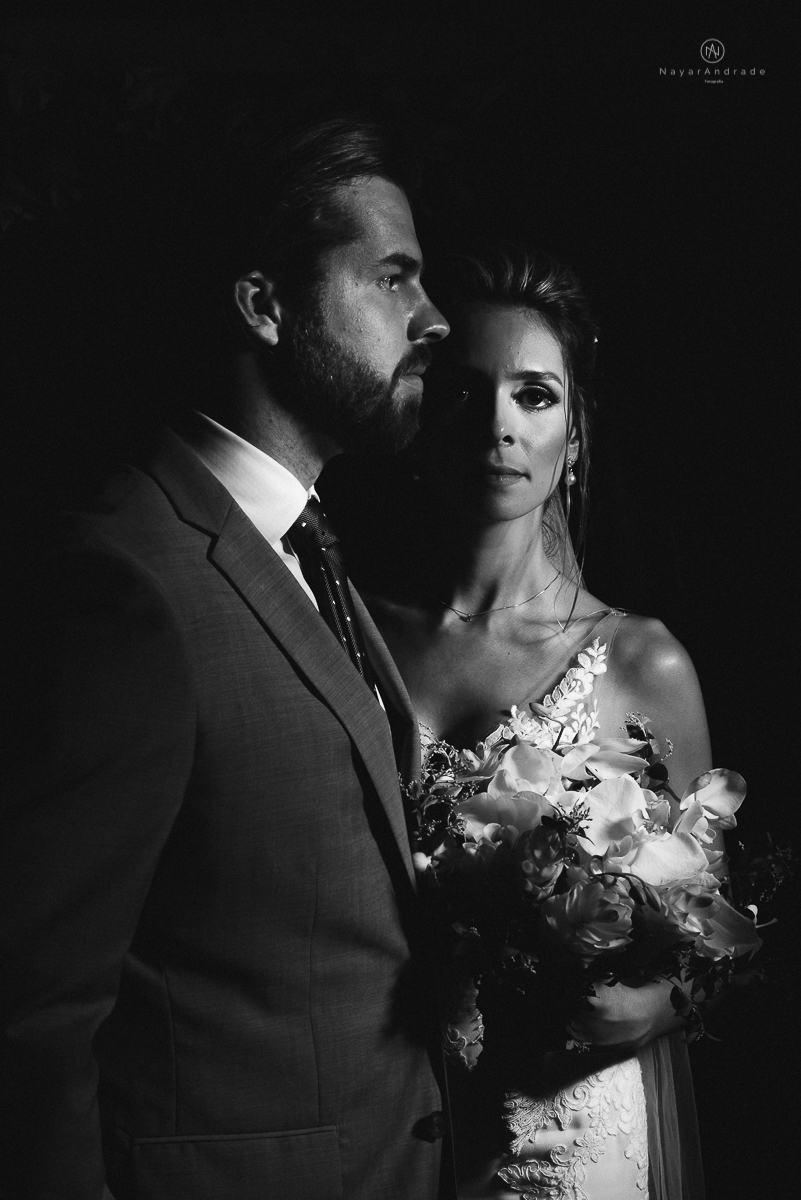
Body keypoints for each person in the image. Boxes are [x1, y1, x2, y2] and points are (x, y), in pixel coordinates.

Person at [0, 112, 451, 1199]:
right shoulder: (127, 583)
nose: (433, 320)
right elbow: (31, 1023)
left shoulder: (312, 542)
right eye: (394, 280)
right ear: (264, 305)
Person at [347, 244, 714, 1198]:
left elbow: (711, 935)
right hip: (376, 1115)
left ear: (574, 435)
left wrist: (648, 1009)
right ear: (426, 417)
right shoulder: (340, 627)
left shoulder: (642, 662)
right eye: (468, 392)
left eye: (534, 395)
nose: (499, 426)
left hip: (562, 1129)